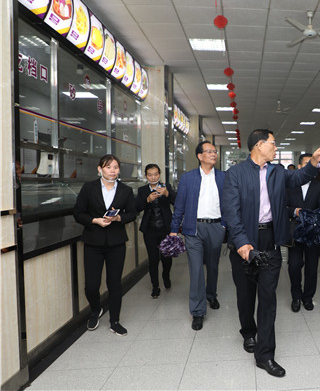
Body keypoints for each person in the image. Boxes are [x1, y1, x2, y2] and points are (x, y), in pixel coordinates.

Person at [222, 129, 320, 378]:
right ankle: (248, 332)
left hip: (270, 240)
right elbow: (231, 212)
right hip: (245, 240)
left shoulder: (278, 172)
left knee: (268, 299)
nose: (275, 147)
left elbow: (300, 176)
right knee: (245, 295)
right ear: (259, 145)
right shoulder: (235, 174)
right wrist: (242, 243)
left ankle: (265, 355)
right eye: (273, 143)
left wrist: (315, 161)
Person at [73, 154, 136, 336]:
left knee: (114, 283)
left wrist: (119, 218)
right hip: (93, 241)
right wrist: (95, 220)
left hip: (116, 242)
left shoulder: (125, 190)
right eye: (108, 167)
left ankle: (115, 321)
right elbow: (78, 213)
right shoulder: (89, 188)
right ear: (100, 169)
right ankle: (96, 309)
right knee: (91, 286)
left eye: (115, 167)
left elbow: (132, 213)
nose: (112, 171)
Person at [169, 141, 226, 331]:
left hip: (216, 226)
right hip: (193, 228)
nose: (214, 154)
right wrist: (174, 228)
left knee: (213, 266)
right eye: (209, 151)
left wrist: (225, 225)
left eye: (214, 151)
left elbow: (230, 203)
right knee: (196, 270)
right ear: (200, 156)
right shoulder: (188, 178)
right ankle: (198, 311)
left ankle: (211, 294)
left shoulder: (223, 177)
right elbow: (180, 205)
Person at [286, 153, 320, 312]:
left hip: (313, 232)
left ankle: (308, 297)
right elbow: (282, 207)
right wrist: (294, 211)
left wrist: (315, 217)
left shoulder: (319, 186)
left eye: (314, 164)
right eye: (306, 163)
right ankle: (296, 296)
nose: (311, 166)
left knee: (312, 267)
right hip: (295, 232)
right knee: (294, 265)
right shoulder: (290, 185)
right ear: (299, 167)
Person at [136, 164, 176, 299]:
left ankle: (166, 275)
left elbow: (177, 201)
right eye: (150, 175)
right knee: (153, 259)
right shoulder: (142, 190)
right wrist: (147, 200)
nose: (153, 177)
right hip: (150, 230)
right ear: (146, 176)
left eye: (155, 174)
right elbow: (136, 207)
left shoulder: (166, 186)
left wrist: (167, 193)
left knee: (166, 258)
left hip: (165, 229)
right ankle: (155, 287)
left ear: (159, 174)